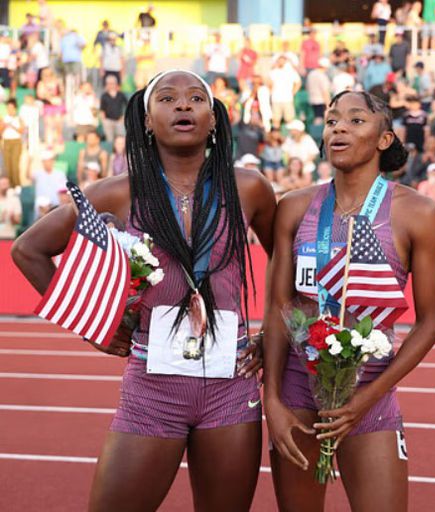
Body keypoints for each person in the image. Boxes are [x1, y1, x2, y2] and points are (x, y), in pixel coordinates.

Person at [13, 69, 276, 510]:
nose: (183, 105)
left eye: (196, 99)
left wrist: (273, 334)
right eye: (168, 99)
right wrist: (92, 325)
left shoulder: (249, 188)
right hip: (153, 386)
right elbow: (29, 249)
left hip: (232, 385)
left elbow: (284, 263)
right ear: (147, 121)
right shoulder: (117, 193)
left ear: (213, 119)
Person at [263, 90, 435, 511]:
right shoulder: (293, 207)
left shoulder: (418, 212)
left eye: (355, 120)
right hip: (295, 392)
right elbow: (278, 308)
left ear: (384, 139)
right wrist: (272, 399)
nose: (339, 127)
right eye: (331, 120)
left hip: (370, 394)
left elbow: (429, 321)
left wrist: (365, 399)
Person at [269, 55, 301, 129]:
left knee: (289, 120)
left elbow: (298, 83)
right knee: (276, 120)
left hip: (287, 99)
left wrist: (293, 92)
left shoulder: (291, 72)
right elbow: (269, 84)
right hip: (276, 99)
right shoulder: (273, 72)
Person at [1, 99, 24, 188]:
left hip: (16, 142)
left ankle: (17, 185)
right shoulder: (4, 118)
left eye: (11, 108)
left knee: (15, 165)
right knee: (7, 166)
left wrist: (12, 126)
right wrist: (3, 126)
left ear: (15, 108)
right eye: (8, 108)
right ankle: (9, 186)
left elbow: (21, 131)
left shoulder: (19, 118)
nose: (9, 110)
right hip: (6, 142)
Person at [99, 75, 128, 143]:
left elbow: (127, 106)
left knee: (121, 139)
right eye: (109, 83)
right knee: (109, 140)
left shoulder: (121, 95)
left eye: (112, 83)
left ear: (116, 84)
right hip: (108, 121)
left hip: (119, 121)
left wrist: (123, 117)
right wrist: (104, 120)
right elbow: (102, 109)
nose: (111, 85)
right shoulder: (104, 96)